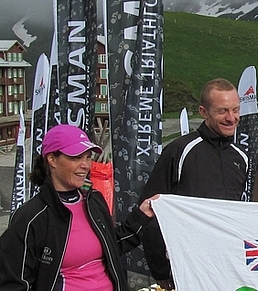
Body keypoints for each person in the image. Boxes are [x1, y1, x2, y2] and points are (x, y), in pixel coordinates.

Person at [0, 124, 156, 291]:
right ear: (52, 159)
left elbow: (112, 246)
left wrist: (142, 215)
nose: (85, 165)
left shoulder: (93, 200)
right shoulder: (31, 218)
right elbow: (13, 282)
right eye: (76, 157)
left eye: (88, 157)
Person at [140, 78, 248, 290]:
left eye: (235, 110)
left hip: (229, 269)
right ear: (203, 111)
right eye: (222, 111)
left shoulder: (241, 158)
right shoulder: (179, 150)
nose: (231, 118)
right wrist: (161, 270)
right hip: (186, 269)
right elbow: (152, 212)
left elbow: (241, 215)